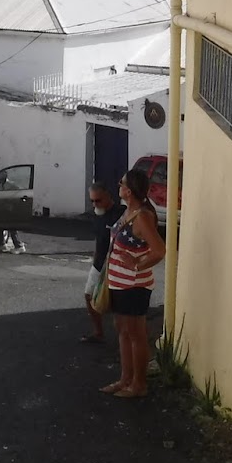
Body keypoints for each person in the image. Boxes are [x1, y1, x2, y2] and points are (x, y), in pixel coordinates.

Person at [100, 168, 166, 399]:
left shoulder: (142, 216)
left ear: (128, 191)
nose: (118, 186)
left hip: (134, 286)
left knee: (135, 334)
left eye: (121, 183)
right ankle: (125, 379)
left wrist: (136, 264)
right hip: (120, 283)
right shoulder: (129, 211)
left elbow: (159, 251)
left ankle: (138, 384)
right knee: (123, 331)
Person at [81, 182, 124, 343]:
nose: (94, 204)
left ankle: (124, 338)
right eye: (92, 201)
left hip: (115, 264)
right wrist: (95, 259)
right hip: (98, 264)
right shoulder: (97, 215)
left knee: (115, 304)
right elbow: (99, 239)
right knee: (89, 296)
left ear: (108, 197)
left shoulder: (121, 214)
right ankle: (98, 332)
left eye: (98, 200)